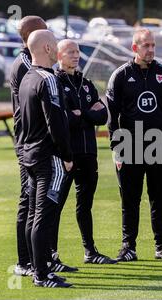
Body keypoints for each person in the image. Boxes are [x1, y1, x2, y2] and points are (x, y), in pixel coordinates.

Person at [106, 28, 162, 262]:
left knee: (160, 199)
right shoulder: (120, 75)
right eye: (145, 45)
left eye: (153, 45)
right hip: (129, 145)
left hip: (160, 146)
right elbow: (112, 117)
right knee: (130, 199)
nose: (150, 49)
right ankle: (128, 247)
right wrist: (117, 148)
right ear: (134, 48)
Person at [10, 16, 76, 276]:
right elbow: (53, 120)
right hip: (40, 150)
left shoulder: (30, 73)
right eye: (47, 31)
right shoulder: (35, 72)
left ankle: (40, 262)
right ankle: (36, 266)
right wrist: (66, 154)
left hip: (29, 147)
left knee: (35, 209)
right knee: (38, 209)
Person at [55, 39, 116, 264]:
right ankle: (51, 253)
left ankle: (90, 251)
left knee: (85, 205)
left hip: (89, 154)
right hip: (66, 156)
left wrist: (82, 114)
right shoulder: (55, 83)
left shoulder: (87, 84)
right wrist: (84, 114)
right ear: (58, 56)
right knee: (56, 204)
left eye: (77, 52)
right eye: (70, 52)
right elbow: (63, 119)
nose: (75, 55)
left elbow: (102, 115)